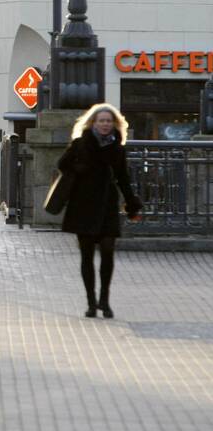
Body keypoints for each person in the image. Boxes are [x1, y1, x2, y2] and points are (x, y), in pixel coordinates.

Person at [57, 103, 142, 319]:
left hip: (107, 206)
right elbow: (62, 164)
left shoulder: (117, 149)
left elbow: (123, 178)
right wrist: (79, 169)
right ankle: (91, 303)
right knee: (86, 256)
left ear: (114, 124)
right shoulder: (80, 144)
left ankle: (105, 300)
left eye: (108, 121)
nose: (105, 124)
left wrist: (131, 203)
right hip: (83, 205)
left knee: (107, 250)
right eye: (101, 120)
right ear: (93, 123)